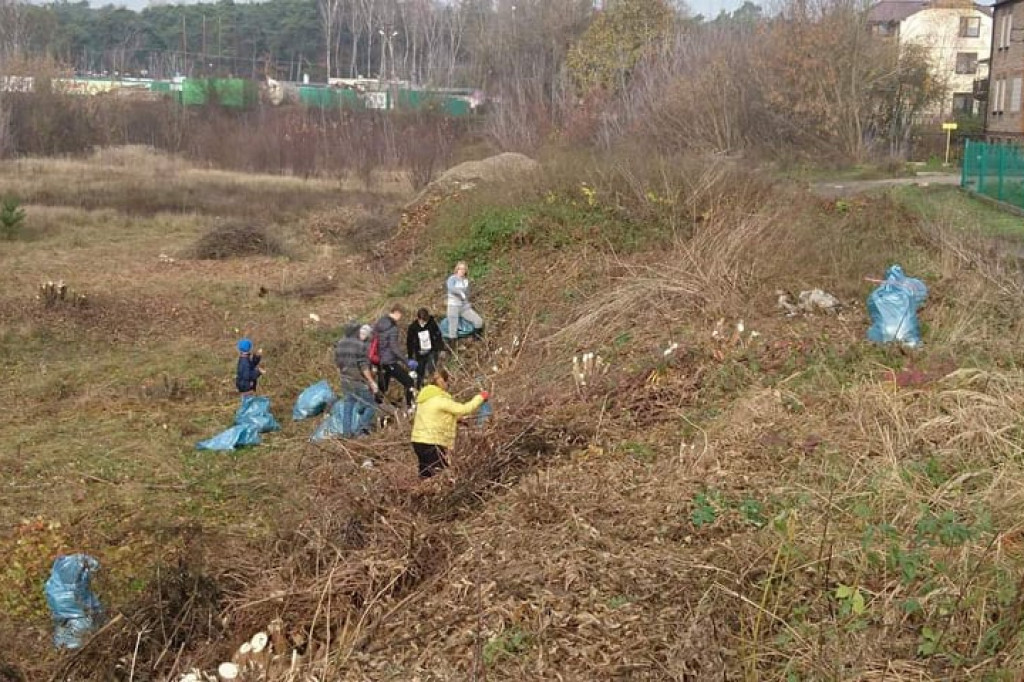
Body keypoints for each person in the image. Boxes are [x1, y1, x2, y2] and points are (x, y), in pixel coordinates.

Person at [409, 367, 489, 478]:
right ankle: (437, 494)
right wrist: (480, 397)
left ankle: (423, 493)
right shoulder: (440, 399)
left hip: (418, 441)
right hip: (432, 442)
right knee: (440, 474)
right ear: (443, 383)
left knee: (426, 473)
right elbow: (464, 409)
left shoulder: (425, 398)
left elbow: (435, 416)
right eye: (447, 383)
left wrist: (456, 419)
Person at [334, 322, 380, 437]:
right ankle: (360, 429)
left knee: (348, 406)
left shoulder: (339, 344)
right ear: (356, 332)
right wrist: (371, 382)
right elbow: (363, 366)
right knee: (371, 405)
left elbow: (338, 365)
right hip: (357, 380)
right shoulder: (359, 345)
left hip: (345, 380)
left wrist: (342, 376)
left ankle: (346, 434)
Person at [373, 304, 418, 411]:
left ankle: (374, 409)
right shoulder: (392, 328)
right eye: (401, 316)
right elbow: (394, 348)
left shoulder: (379, 323)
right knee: (409, 382)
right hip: (389, 362)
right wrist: (407, 361)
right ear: (397, 313)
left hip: (380, 362)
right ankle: (410, 407)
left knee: (382, 388)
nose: (400, 318)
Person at [445, 261, 484, 347]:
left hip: (463, 307)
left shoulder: (466, 281)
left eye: (464, 269)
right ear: (457, 269)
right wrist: (459, 292)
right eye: (460, 268)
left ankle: (476, 340)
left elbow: (467, 295)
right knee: (453, 330)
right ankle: (452, 349)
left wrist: (467, 303)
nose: (462, 271)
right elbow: (451, 288)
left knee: (479, 321)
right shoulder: (452, 278)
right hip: (453, 306)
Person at [407, 307, 444, 390]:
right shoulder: (413, 327)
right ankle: (420, 388)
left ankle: (432, 386)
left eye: (426, 320)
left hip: (431, 351)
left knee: (431, 369)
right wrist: (410, 356)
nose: (424, 323)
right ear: (418, 319)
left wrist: (440, 348)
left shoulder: (432, 323)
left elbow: (438, 336)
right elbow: (409, 342)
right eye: (422, 321)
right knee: (420, 372)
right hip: (420, 353)